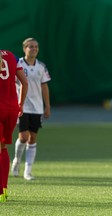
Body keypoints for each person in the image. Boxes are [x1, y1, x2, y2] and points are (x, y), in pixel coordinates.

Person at [11, 38, 51, 181]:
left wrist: (47, 106)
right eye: (30, 47)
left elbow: (44, 86)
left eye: (35, 47)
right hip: (22, 106)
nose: (33, 49)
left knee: (32, 138)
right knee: (23, 137)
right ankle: (16, 161)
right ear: (24, 49)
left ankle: (28, 171)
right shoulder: (18, 64)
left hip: (37, 107)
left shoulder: (41, 66)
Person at [0, 50, 28, 202]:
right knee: (2, 148)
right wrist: (21, 104)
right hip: (11, 108)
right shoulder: (11, 56)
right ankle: (3, 190)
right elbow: (24, 82)